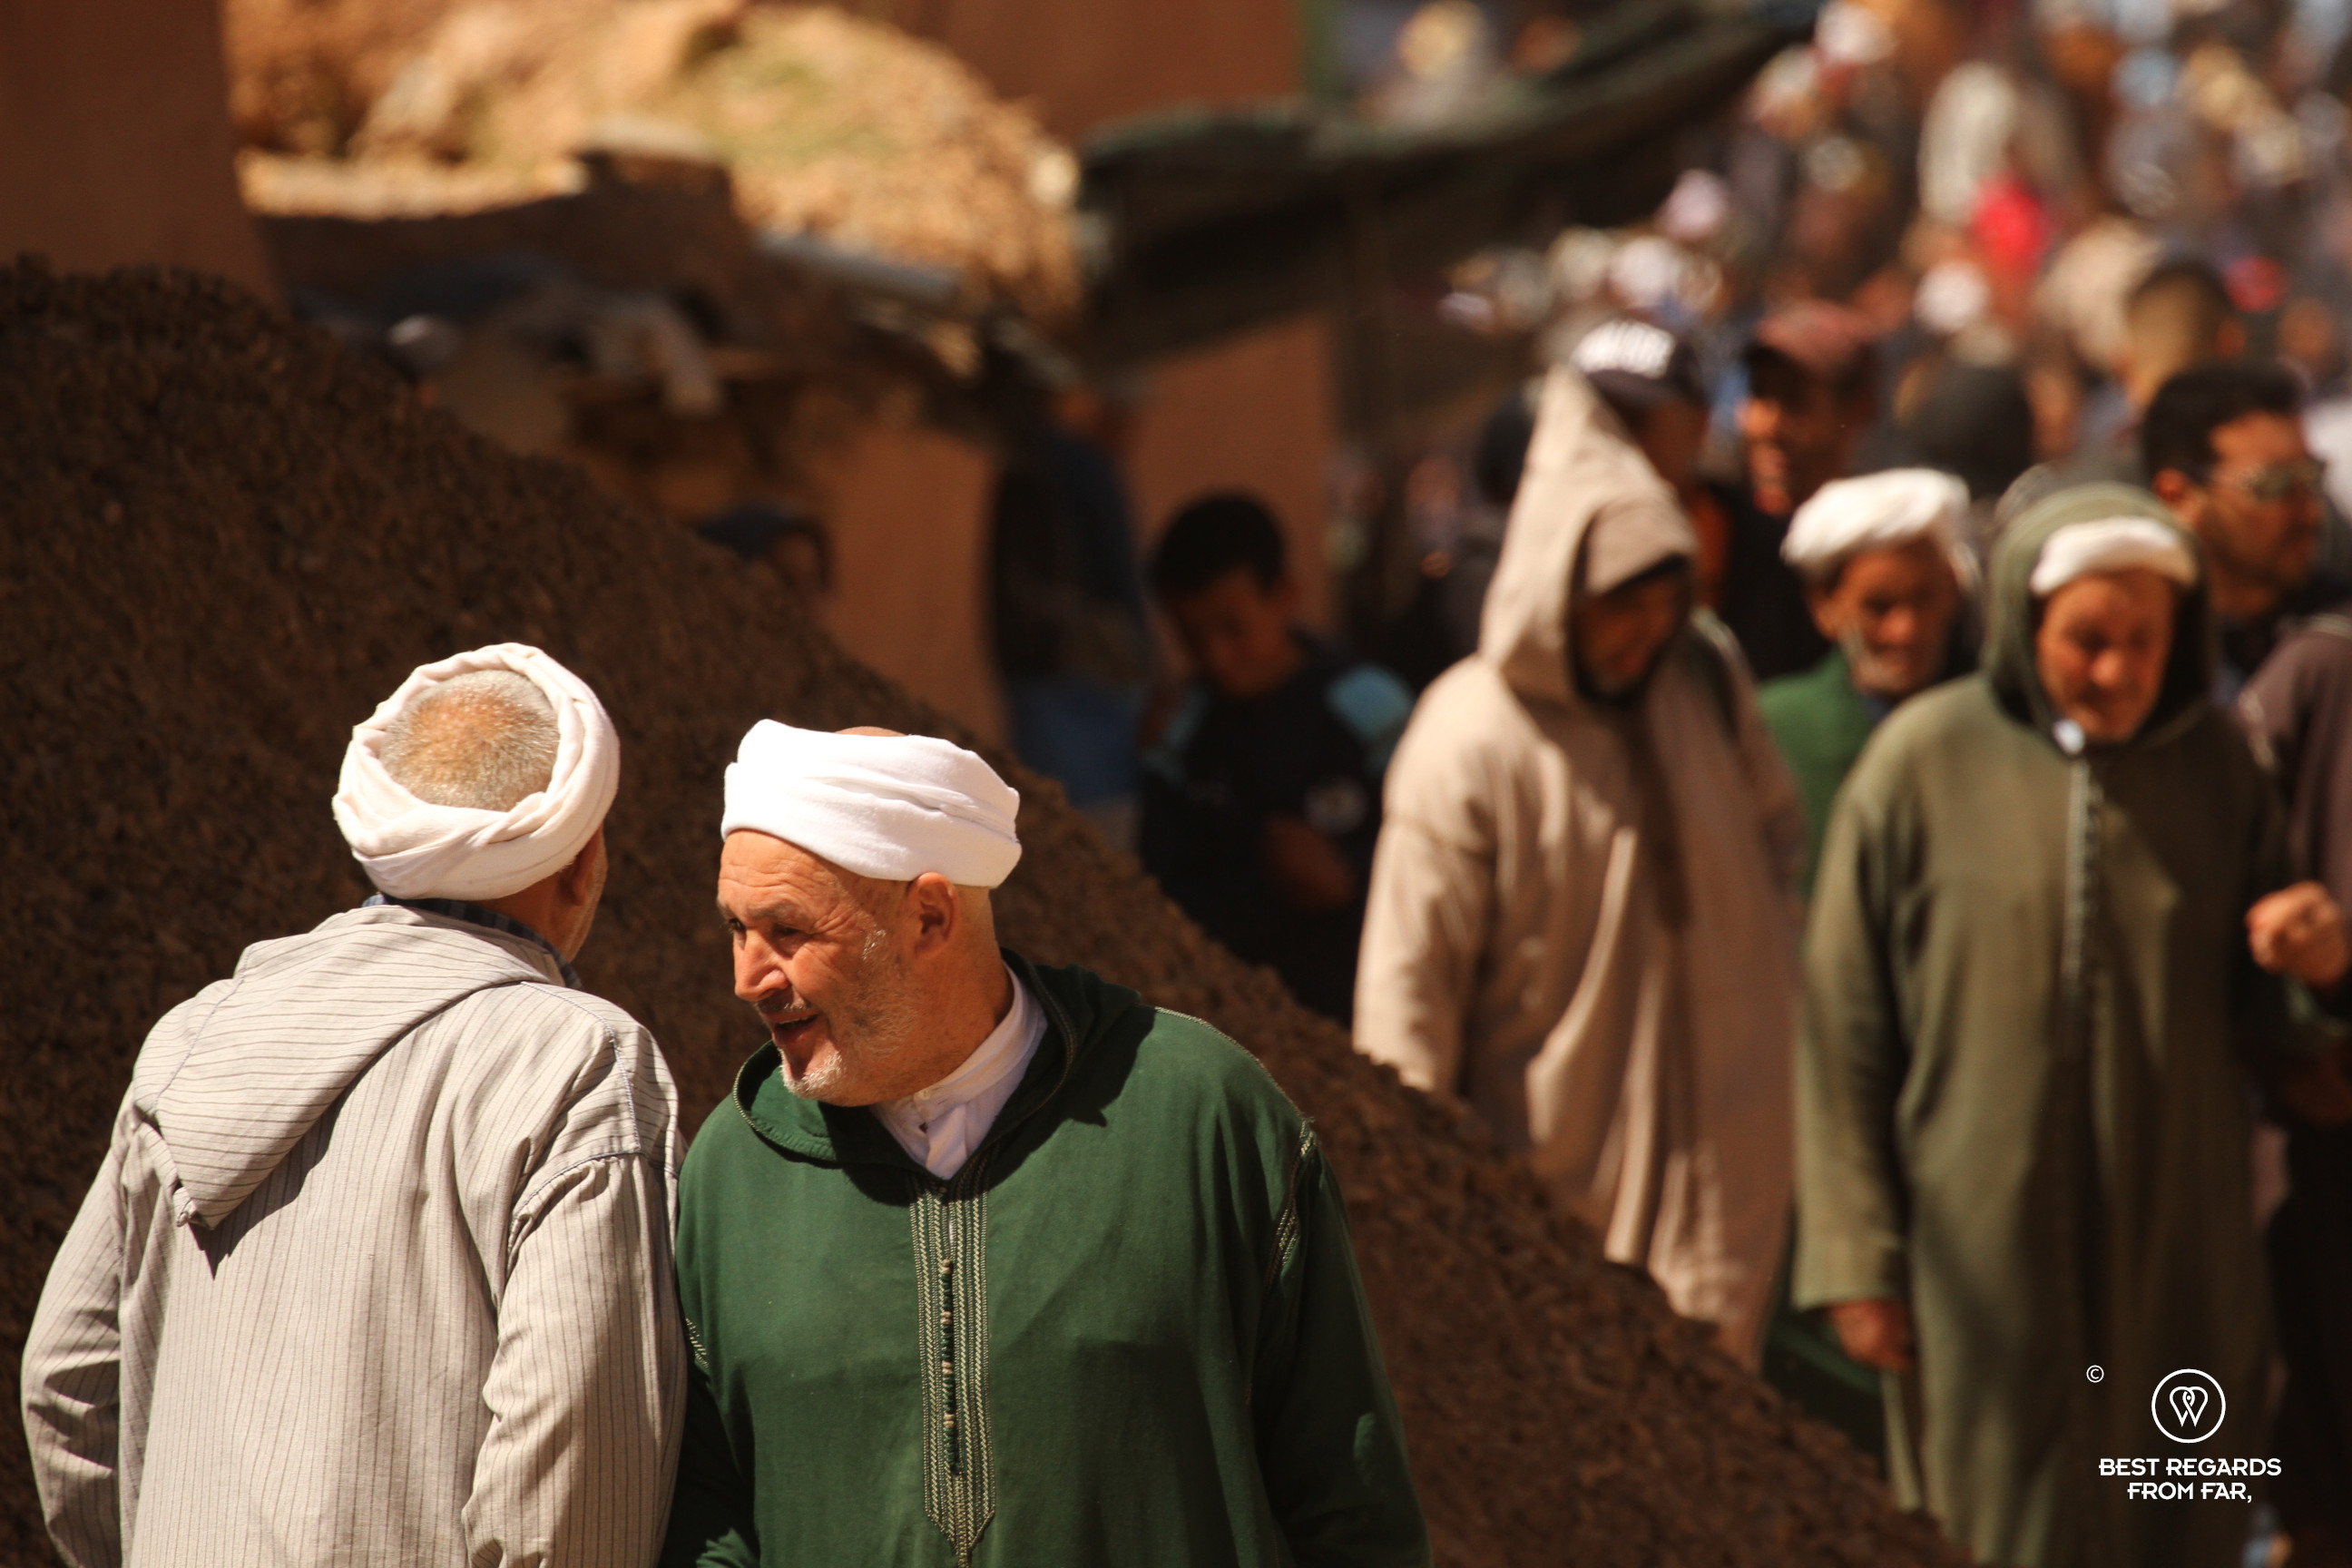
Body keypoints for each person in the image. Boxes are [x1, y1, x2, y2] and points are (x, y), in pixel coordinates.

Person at [664, 721, 1429, 1568]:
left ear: (927, 916)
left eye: (788, 931)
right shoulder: (733, 1177)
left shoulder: (1201, 1118)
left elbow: (1353, 1512)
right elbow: (712, 1521)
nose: (747, 977)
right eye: (737, 928)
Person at [21, 644, 684, 1568]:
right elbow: (570, 1459)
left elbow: (70, 1384)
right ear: (583, 863)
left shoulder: (192, 1039)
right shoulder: (575, 1061)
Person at [1795, 486, 2350, 1568]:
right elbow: (1844, 1031)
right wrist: (1859, 1259)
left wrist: (2323, 964)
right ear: (2021, 626)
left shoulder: (2217, 770)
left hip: (2180, 1267)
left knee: (2181, 1511)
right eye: (2088, 640)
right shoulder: (1919, 765)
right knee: (1991, 1534)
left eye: (2145, 640)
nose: (2118, 670)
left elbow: (2275, 1026)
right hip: (1975, 1278)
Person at [1354, 365, 1808, 1365]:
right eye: (1618, 605)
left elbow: (1781, 840)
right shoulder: (1469, 738)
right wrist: (1422, 1206)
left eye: (1661, 600)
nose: (1643, 631)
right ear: (1558, 584)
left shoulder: (1701, 679)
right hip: (1556, 1200)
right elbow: (1406, 1003)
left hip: (1730, 1182)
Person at [1139, 494, 1415, 1023]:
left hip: (1367, 1009)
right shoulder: (1180, 733)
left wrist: (1348, 878)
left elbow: (1436, 861)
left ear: (1284, 597)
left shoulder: (1372, 710)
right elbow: (1156, 885)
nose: (1217, 658)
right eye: (1193, 639)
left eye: (1233, 628)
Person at [1759, 467, 1975, 896]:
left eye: (1923, 599)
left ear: (1952, 591)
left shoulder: (1998, 724)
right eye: (1879, 608)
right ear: (1826, 608)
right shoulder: (1776, 730)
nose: (1905, 630)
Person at [2144, 360, 2346, 697]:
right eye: (2271, 486)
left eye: (2311, 476)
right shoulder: (2146, 650)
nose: (2308, 510)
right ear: (2178, 498)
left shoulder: (2341, 631)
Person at [1712, 299, 1880, 680]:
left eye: (1794, 401)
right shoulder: (1719, 534)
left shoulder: (1876, 550)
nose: (1767, 426)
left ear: (1859, 410)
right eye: (1759, 394)